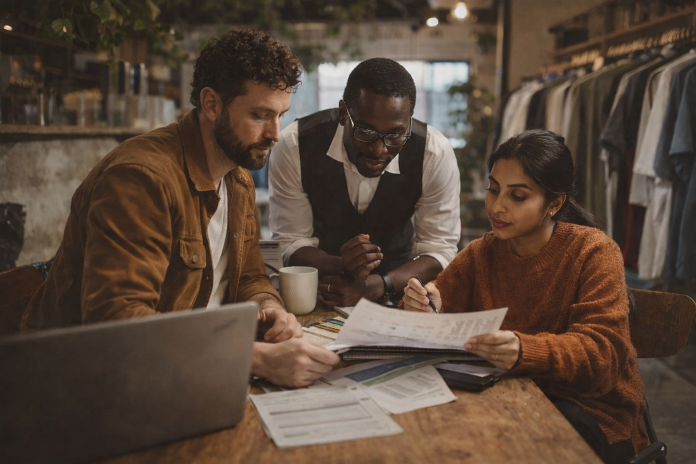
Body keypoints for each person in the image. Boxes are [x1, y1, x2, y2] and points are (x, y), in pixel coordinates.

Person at [21, 29, 339, 388]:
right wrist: (256, 358)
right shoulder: (140, 179)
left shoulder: (237, 176)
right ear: (211, 104)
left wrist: (270, 308)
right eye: (260, 115)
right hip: (90, 384)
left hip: (190, 370)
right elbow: (117, 322)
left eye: (281, 115)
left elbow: (249, 277)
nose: (275, 133)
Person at [402, 130, 648, 464]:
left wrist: (524, 350)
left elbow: (602, 357)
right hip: (503, 400)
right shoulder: (480, 254)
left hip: (590, 413)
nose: (497, 206)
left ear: (555, 203)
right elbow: (440, 318)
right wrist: (424, 310)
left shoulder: (594, 251)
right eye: (493, 189)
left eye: (518, 197)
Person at [268, 58, 460, 308]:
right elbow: (291, 242)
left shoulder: (434, 153)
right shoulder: (294, 146)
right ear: (342, 114)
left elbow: (440, 250)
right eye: (366, 132)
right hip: (320, 292)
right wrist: (340, 265)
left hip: (399, 293)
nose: (379, 150)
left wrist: (379, 285)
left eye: (395, 135)